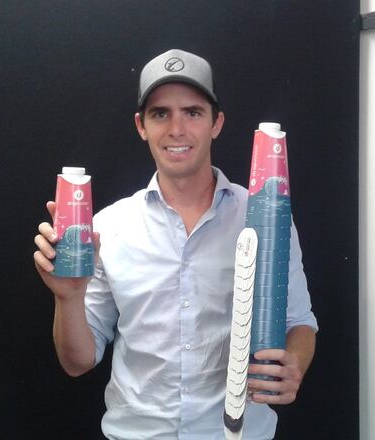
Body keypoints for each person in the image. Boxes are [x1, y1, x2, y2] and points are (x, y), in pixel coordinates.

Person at [33, 49, 318, 439]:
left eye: (193, 112)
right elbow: (77, 362)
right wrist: (68, 298)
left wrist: (294, 364)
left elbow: (299, 324)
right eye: (160, 113)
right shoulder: (108, 227)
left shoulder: (265, 216)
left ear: (216, 123)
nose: (176, 129)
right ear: (141, 125)